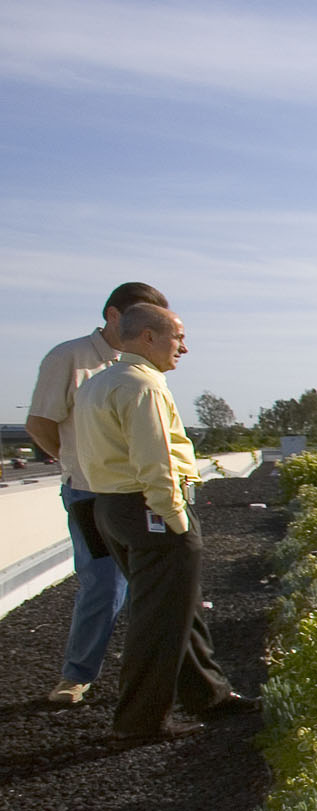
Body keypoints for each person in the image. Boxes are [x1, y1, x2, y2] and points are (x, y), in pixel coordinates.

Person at [72, 303, 257, 741]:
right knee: (157, 620)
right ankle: (139, 723)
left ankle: (208, 694)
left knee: (177, 609)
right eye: (177, 337)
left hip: (110, 506)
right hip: (147, 509)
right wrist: (176, 521)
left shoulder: (99, 383)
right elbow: (153, 462)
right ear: (148, 337)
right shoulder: (143, 386)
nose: (184, 348)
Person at [25, 282, 168, 704]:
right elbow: (39, 423)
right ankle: (77, 676)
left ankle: (165, 679)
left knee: (163, 583)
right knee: (103, 584)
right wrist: (75, 465)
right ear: (113, 316)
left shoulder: (146, 365)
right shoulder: (69, 358)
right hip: (90, 495)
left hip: (142, 494)